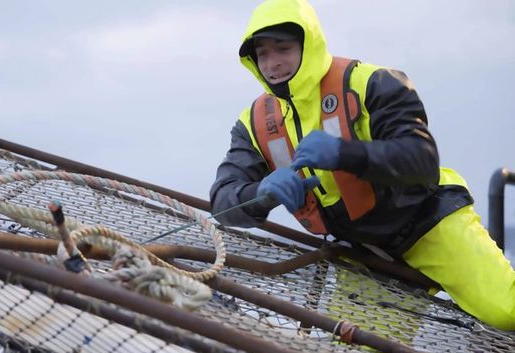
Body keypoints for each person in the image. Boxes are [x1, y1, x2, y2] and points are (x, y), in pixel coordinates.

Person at [209, 0, 515, 330]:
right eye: (263, 54)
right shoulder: (252, 125)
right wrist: (261, 193)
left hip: (430, 225)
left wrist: (345, 154)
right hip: (367, 256)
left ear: (307, 44)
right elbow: (222, 202)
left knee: (507, 311)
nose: (273, 63)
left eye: (282, 48)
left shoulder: (372, 83)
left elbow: (421, 161)